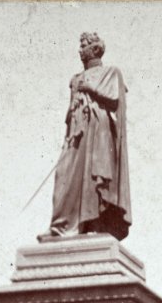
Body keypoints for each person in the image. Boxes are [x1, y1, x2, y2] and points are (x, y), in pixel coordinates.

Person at [39, 32, 131, 242]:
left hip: (99, 133)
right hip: (76, 136)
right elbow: (71, 112)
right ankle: (61, 226)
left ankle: (94, 224)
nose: (80, 50)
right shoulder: (75, 79)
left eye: (84, 45)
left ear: (95, 49)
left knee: (94, 177)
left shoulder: (111, 72)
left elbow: (115, 100)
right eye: (80, 46)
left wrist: (91, 88)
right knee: (64, 175)